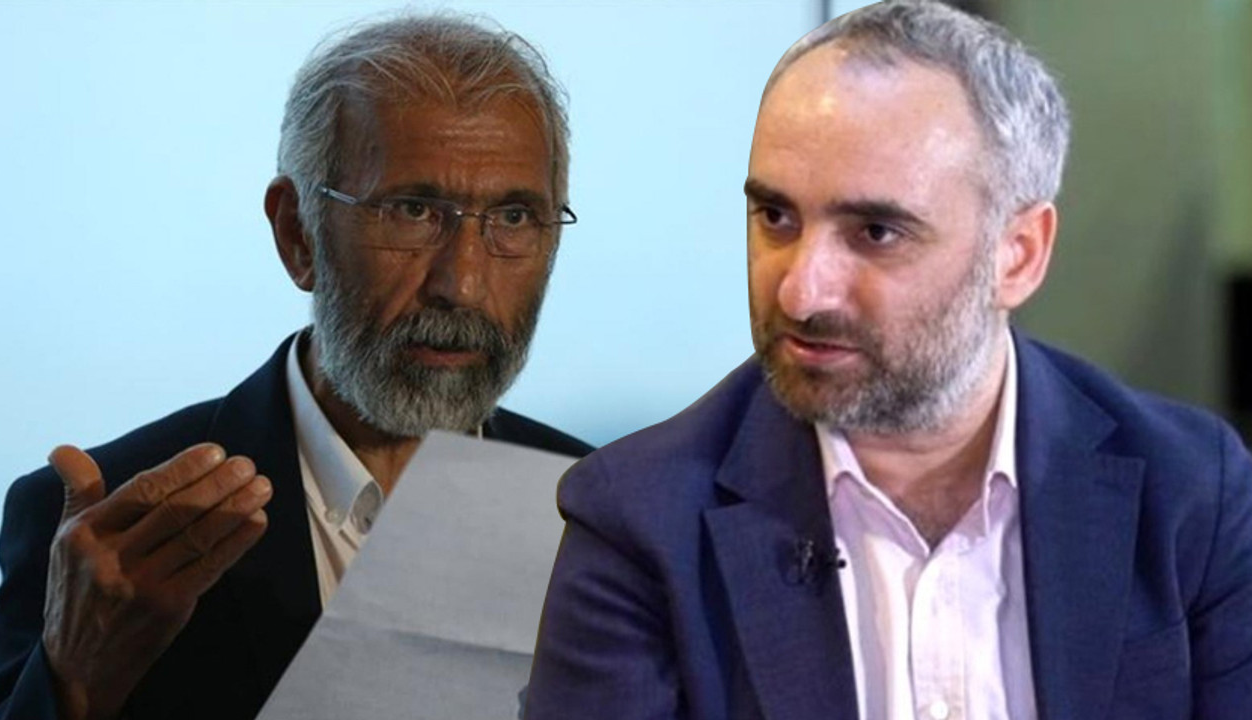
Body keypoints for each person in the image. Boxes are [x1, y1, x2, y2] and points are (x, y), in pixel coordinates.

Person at [525, 2, 1252, 719]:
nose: (801, 291)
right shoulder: (643, 522)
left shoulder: (1191, 492)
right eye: (776, 217)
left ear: (1018, 255)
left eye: (875, 232)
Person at [0, 14, 591, 720]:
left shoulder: (602, 511)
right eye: (413, 211)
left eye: (513, 218)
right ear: (298, 234)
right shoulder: (118, 527)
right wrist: (73, 684)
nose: (463, 283)